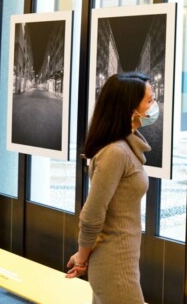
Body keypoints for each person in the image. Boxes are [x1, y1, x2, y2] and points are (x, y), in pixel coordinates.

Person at [65, 72, 158, 304]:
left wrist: (82, 254)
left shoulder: (126, 146)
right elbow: (92, 214)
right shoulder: (116, 152)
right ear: (129, 108)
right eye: (149, 100)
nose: (154, 105)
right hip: (115, 266)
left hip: (122, 260)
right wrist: (82, 259)